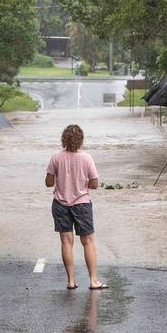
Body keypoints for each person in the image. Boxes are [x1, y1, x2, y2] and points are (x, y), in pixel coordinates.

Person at [45, 124, 107, 290]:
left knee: (66, 241)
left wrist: (60, 179)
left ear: (63, 139)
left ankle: (71, 280)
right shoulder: (86, 158)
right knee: (88, 241)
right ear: (81, 140)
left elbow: (48, 182)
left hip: (60, 203)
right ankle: (93, 281)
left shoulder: (56, 158)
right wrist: (83, 182)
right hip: (82, 204)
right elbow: (94, 184)